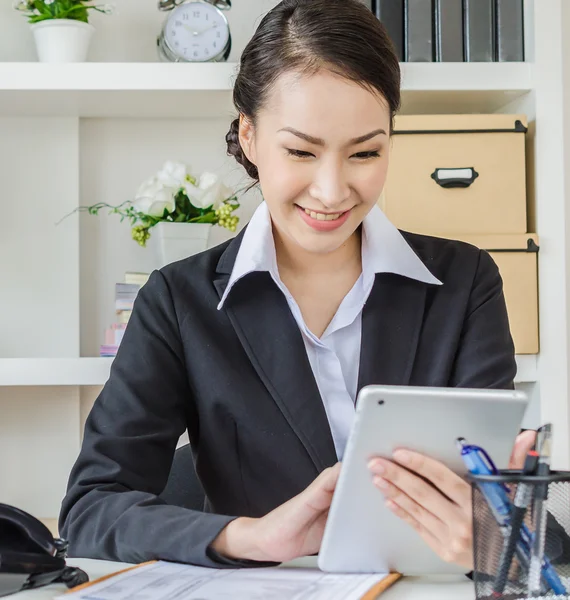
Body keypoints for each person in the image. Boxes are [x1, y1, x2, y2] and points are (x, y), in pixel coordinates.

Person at [59, 0, 535, 570]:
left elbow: (500, 507)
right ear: (251, 138)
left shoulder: (465, 284)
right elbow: (92, 510)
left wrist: (497, 532)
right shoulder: (178, 301)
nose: (332, 192)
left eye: (365, 152)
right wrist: (248, 537)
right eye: (301, 151)